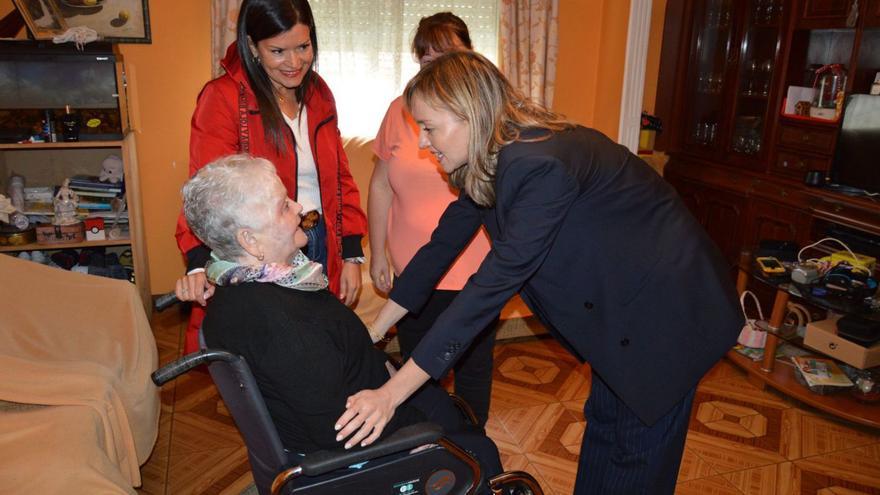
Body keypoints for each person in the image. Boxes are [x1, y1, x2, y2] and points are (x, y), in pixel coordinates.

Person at [336, 52, 743, 494]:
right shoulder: (492, 160)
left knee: (637, 453)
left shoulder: (538, 163)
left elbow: (491, 285)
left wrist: (392, 394)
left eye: (430, 127)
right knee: (608, 427)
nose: (424, 143)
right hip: (623, 311)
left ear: (469, 113)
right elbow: (439, 250)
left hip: (668, 315)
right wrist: (374, 331)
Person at [175, 155, 502, 491]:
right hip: (364, 446)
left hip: (371, 395)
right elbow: (337, 430)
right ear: (250, 241)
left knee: (454, 417)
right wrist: (422, 432)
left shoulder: (242, 289)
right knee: (479, 451)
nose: (299, 207)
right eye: (282, 207)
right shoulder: (279, 323)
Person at [174, 0, 367, 354]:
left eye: (303, 47)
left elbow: (340, 176)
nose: (294, 63)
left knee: (321, 351)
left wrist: (352, 253)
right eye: (278, 51)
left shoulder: (320, 94)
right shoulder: (224, 97)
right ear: (251, 46)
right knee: (272, 356)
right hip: (262, 252)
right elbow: (205, 194)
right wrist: (198, 263)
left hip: (319, 238)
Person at [369, 12, 497, 427]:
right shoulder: (402, 112)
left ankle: (471, 451)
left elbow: (479, 212)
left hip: (478, 272)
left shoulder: (495, 135)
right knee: (421, 366)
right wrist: (378, 256)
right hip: (417, 266)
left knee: (471, 369)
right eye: (427, 61)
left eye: (449, 56)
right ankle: (434, 448)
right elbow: (385, 188)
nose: (424, 143)